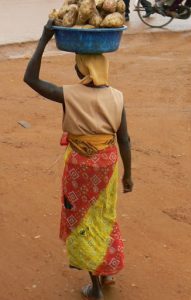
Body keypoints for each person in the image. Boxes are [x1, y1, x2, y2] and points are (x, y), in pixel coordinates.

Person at [24, 20, 133, 300]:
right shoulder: (117, 97)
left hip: (80, 168)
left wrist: (44, 38)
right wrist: (128, 175)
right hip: (108, 165)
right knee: (104, 216)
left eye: (77, 64)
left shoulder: (68, 94)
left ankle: (95, 287)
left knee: (83, 220)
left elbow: (31, 79)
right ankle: (106, 271)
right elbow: (124, 140)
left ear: (82, 68)